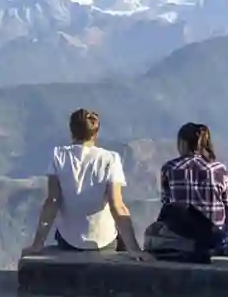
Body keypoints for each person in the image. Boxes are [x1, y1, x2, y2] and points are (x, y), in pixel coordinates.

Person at [22, 109, 146, 259]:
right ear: (96, 133)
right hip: (104, 241)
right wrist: (134, 249)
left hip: (69, 241)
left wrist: (37, 243)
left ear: (71, 131)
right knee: (118, 239)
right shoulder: (110, 159)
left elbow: (52, 201)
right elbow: (117, 205)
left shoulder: (59, 155)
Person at [159, 123, 228, 255]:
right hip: (217, 239)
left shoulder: (170, 168)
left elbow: (166, 202)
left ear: (182, 143)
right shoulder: (219, 169)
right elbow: (226, 205)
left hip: (183, 238)